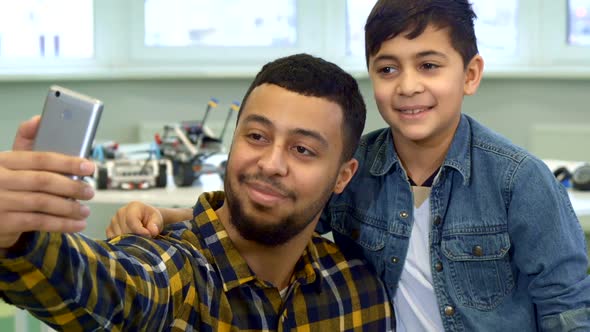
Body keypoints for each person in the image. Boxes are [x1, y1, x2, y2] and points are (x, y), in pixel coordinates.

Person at [108, 1, 590, 331]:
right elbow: (285, 215)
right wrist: (167, 218)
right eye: (388, 68)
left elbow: (568, 309)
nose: (407, 86)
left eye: (429, 65)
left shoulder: (518, 180)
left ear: (470, 74)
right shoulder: (354, 169)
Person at [0, 54, 394, 331]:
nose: (271, 163)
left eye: (302, 149)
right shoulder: (176, 271)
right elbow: (107, 284)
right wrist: (17, 238)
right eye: (256, 136)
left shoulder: (358, 290)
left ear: (343, 177)